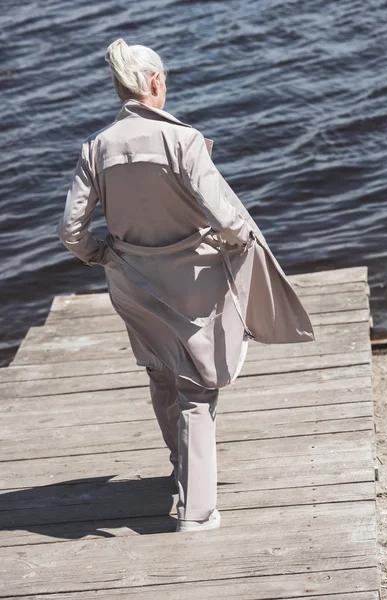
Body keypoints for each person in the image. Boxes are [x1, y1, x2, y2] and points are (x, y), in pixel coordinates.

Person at [57, 38, 315, 532]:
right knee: (198, 389)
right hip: (192, 280)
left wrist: (102, 253)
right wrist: (237, 241)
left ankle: (181, 465)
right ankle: (197, 511)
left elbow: (70, 232)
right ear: (155, 83)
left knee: (160, 373)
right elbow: (229, 218)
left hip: (130, 280)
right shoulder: (183, 141)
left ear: (119, 88)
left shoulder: (96, 147)